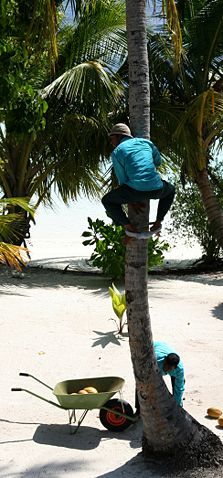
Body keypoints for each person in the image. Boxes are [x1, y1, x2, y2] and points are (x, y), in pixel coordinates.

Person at [101, 123, 175, 239]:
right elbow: (158, 162)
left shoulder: (117, 151)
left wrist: (131, 199)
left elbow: (122, 180)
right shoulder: (146, 143)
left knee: (107, 201)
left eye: (112, 138)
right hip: (157, 188)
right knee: (170, 191)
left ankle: (129, 227)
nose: (111, 142)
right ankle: (158, 222)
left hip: (135, 190)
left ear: (119, 136)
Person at [135, 341, 185, 416]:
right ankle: (138, 410)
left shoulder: (179, 370)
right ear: (164, 360)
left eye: (169, 368)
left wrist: (177, 406)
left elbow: (179, 388)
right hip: (155, 347)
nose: (166, 369)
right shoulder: (155, 361)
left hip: (165, 350)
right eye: (165, 365)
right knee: (141, 385)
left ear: (175, 368)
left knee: (178, 388)